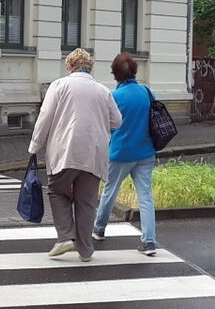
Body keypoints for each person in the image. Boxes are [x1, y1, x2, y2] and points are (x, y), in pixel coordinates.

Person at [28, 48, 121, 262]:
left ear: (69, 67)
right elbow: (117, 121)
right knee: (87, 201)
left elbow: (45, 117)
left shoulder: (59, 86)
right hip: (95, 154)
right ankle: (85, 250)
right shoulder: (102, 91)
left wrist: (35, 146)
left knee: (57, 191)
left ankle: (65, 237)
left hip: (65, 151)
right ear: (89, 68)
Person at [92, 53, 159, 256]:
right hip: (146, 151)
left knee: (110, 191)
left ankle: (99, 229)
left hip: (120, 152)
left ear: (115, 74)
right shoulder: (146, 92)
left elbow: (105, 125)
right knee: (145, 196)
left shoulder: (114, 97)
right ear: (135, 71)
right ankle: (149, 241)